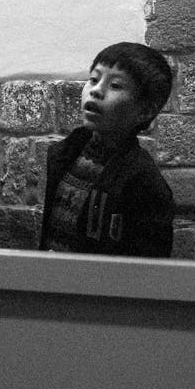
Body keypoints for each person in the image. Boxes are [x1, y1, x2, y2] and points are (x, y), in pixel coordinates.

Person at [40, 41, 176, 257]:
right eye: (93, 79)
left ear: (144, 110)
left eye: (115, 86)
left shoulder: (143, 183)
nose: (96, 91)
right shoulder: (66, 153)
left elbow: (147, 269)